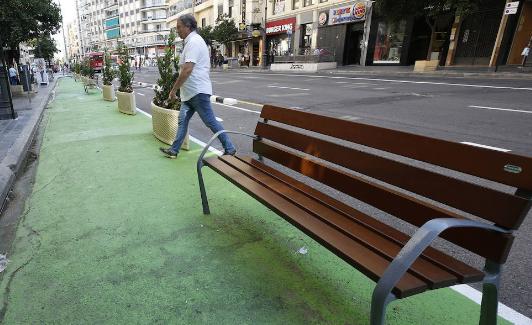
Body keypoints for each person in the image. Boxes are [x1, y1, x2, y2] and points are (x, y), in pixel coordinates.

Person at [159, 14, 236, 159]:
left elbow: (188, 69)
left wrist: (174, 89)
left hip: (197, 91)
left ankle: (230, 148)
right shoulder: (190, 42)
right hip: (189, 93)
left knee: (210, 121)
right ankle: (174, 150)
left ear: (188, 27)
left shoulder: (194, 41)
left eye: (179, 27)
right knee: (182, 121)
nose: (178, 30)